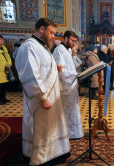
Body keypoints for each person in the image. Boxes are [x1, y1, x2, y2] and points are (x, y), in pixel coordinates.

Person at [15, 18, 70, 165]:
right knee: (41, 130)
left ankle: (54, 154)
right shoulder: (29, 47)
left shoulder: (43, 47)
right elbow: (30, 75)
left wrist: (55, 68)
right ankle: (40, 158)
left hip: (51, 96)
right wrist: (42, 97)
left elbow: (43, 68)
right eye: (51, 32)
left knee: (51, 127)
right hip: (40, 99)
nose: (53, 36)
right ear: (41, 29)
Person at [53, 30, 84, 139]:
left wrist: (74, 55)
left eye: (75, 41)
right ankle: (67, 133)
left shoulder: (68, 50)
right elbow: (61, 70)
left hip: (71, 84)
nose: (74, 43)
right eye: (73, 41)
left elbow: (71, 66)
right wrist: (75, 74)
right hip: (66, 86)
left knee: (73, 109)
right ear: (66, 39)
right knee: (67, 111)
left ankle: (74, 132)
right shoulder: (59, 50)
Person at [0, 35, 12, 105]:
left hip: (6, 69)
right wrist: (1, 66)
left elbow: (8, 57)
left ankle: (3, 98)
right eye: (0, 39)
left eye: (2, 39)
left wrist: (9, 64)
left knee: (4, 85)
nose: (2, 40)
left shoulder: (4, 47)